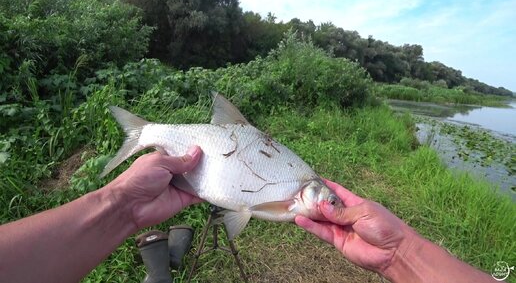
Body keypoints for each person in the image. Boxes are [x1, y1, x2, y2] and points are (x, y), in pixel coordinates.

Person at [0, 147, 497, 283]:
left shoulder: (300, 196)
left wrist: (399, 254)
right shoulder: (296, 196)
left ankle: (162, 260)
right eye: (330, 202)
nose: (335, 211)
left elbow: (247, 211)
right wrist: (402, 253)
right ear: (311, 193)